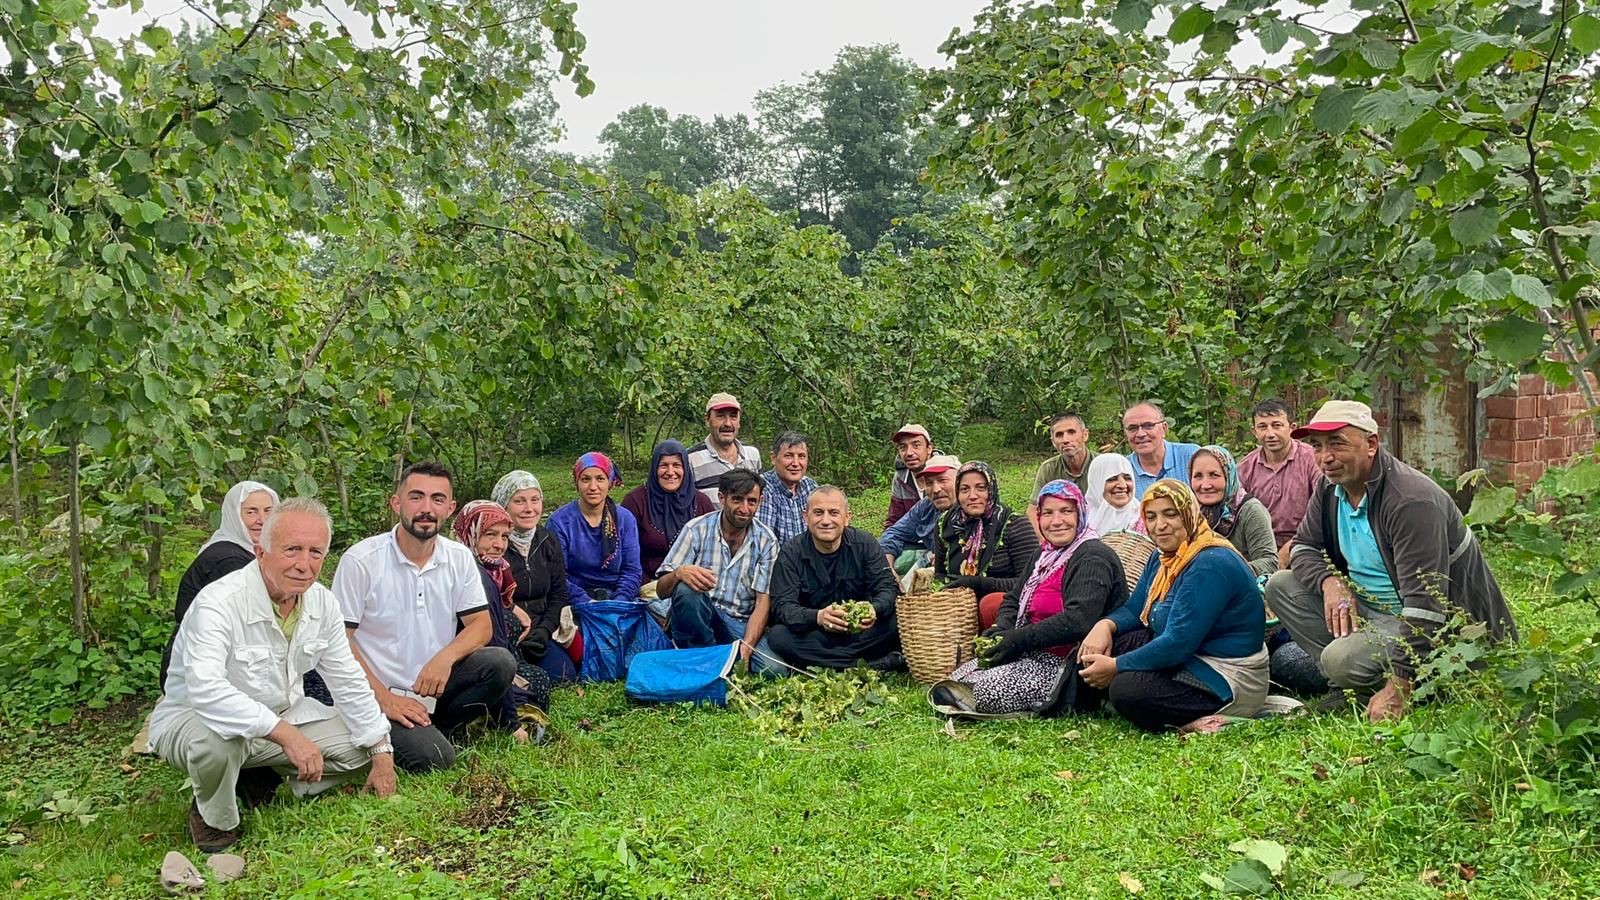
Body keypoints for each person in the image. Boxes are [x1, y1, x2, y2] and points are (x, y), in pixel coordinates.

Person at [150, 497, 395, 852]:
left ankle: (254, 777)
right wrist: (287, 737)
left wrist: (382, 752)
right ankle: (215, 819)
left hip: (280, 720)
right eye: (292, 549)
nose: (304, 564)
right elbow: (206, 690)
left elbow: (348, 679)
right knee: (220, 741)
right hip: (194, 720)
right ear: (260, 552)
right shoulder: (218, 602)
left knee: (362, 746)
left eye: (315, 552)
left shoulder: (322, 603)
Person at [1266, 401, 1517, 722]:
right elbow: (1303, 547)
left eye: (1337, 444)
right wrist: (1330, 582)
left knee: (1339, 660)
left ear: (1371, 444)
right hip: (1371, 609)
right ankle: (1351, 690)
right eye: (1317, 446)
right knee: (1281, 585)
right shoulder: (1330, 489)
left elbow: (1426, 606)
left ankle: (1428, 680)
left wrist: (1399, 688)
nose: (1325, 457)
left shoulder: (1409, 501)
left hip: (1441, 626)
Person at [335, 461, 515, 773]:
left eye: (437, 499)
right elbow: (339, 643)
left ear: (450, 508)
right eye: (416, 497)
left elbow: (481, 626)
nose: (426, 509)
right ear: (397, 503)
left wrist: (445, 658)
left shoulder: (457, 557)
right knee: (436, 759)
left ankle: (435, 726)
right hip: (379, 693)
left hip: (434, 686)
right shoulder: (361, 561)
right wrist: (384, 699)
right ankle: (411, 733)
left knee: (499, 663)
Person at [1074, 480, 1269, 733]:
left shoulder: (1209, 561)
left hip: (1224, 673)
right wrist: (1105, 625)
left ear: (1188, 513)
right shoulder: (1163, 556)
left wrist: (1116, 666)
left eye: (1170, 514)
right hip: (1188, 655)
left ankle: (1203, 719)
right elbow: (1136, 610)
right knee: (1092, 651)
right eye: (1151, 516)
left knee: (1126, 689)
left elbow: (1177, 643)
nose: (1159, 525)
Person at [935, 481, 1126, 716]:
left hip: (1064, 662)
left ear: (1081, 514)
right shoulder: (1045, 554)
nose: (1056, 521)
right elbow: (1014, 597)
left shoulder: (1093, 556)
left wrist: (1016, 640)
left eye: (1066, 511)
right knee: (957, 678)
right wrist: (1001, 628)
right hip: (1032, 650)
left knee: (986, 691)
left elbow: (1079, 620)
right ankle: (968, 696)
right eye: (1048, 513)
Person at [658, 469, 783, 674]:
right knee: (687, 591)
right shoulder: (696, 529)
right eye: (737, 500)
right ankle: (705, 657)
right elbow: (662, 591)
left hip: (737, 622)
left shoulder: (766, 541)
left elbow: (762, 602)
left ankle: (715, 656)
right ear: (722, 498)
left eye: (751, 501)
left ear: (759, 502)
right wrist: (679, 572)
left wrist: (747, 646)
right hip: (699, 613)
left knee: (774, 669)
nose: (744, 508)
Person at [161, 480, 281, 690]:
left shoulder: (245, 549)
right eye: (251, 512)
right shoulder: (230, 560)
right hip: (199, 669)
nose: (262, 520)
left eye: (268, 511)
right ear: (234, 515)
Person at [767, 486, 903, 670]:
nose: (826, 520)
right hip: (817, 633)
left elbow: (887, 588)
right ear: (805, 517)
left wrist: (873, 609)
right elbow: (783, 606)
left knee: (899, 619)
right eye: (818, 513)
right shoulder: (791, 553)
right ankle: (867, 665)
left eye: (833, 513)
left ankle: (831, 664)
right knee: (778, 636)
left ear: (847, 518)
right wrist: (818, 617)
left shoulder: (865, 544)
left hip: (862, 631)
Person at [452, 500, 553, 743]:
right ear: (470, 534)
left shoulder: (488, 571)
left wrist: (514, 609)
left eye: (504, 536)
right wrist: (513, 724)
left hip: (481, 662)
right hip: (465, 669)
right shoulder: (476, 579)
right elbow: (495, 645)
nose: (499, 545)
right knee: (536, 682)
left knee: (538, 674)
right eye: (489, 535)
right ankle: (495, 716)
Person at [491, 470, 578, 683]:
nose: (529, 509)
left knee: (563, 675)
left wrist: (545, 631)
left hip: (540, 627)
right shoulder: (492, 543)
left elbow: (559, 594)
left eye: (535, 500)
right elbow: (488, 599)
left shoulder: (547, 540)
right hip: (504, 630)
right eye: (519, 501)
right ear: (503, 505)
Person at [934, 461, 1039, 630]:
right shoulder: (947, 524)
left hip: (1004, 609)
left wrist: (979, 583)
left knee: (991, 604)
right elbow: (939, 574)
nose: (972, 495)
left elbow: (1030, 583)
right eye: (964, 489)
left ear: (991, 489)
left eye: (981, 488)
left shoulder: (1014, 524)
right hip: (958, 608)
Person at [548, 452, 644, 605]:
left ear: (610, 482)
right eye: (585, 479)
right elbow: (558, 576)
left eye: (600, 479)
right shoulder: (560, 522)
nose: (593, 487)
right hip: (575, 600)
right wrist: (586, 602)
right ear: (576, 482)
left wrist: (619, 602)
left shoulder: (624, 519)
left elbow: (631, 571)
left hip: (618, 600)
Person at [1237, 398, 1324, 566]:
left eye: (1277, 425)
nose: (1270, 433)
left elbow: (1324, 513)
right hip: (1259, 546)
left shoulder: (1312, 460)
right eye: (1263, 427)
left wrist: (1286, 552)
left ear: (1292, 428)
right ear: (1254, 432)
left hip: (1308, 543)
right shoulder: (1245, 468)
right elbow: (1235, 515)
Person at [622, 440, 715, 581]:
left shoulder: (701, 503)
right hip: (644, 586)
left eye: (677, 465)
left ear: (685, 468)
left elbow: (712, 551)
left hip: (690, 586)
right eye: (664, 465)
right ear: (654, 469)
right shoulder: (635, 502)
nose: (670, 472)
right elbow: (625, 555)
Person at [1189, 445, 1278, 578]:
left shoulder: (1251, 511)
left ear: (1229, 475)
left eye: (1214, 475)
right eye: (1198, 476)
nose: (1205, 485)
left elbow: (1269, 562)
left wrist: (1226, 573)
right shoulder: (1191, 512)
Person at [879, 454, 961, 574]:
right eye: (929, 483)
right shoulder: (926, 506)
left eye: (942, 480)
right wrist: (888, 571)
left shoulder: (971, 508)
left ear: (960, 482)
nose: (936, 489)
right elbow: (893, 534)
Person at [687, 393, 761, 503]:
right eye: (720, 416)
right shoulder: (692, 458)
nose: (727, 423)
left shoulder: (752, 455)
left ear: (739, 422)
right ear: (707, 420)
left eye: (733, 416)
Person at [1123, 401, 1200, 498]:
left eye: (1148, 426)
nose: (1140, 434)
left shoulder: (1191, 456)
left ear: (1164, 428)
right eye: (1132, 428)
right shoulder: (1123, 470)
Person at [756, 430, 819, 545]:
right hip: (779, 560)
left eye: (801, 456)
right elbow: (763, 543)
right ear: (773, 458)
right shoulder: (763, 488)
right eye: (788, 456)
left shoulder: (810, 487)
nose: (796, 463)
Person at [1032, 412, 1098, 496]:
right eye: (1059, 435)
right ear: (1053, 442)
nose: (1065, 440)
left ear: (1085, 435)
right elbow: (1034, 508)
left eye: (1071, 432)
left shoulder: (1104, 465)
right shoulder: (1049, 469)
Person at [887, 424, 936, 527]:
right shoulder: (900, 478)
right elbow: (895, 520)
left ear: (929, 448)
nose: (909, 453)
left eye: (916, 445)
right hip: (913, 539)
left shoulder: (947, 473)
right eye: (903, 447)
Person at [1084, 454, 1142, 536]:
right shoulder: (1080, 523)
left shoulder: (1145, 519)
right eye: (1112, 479)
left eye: (1127, 478)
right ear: (1096, 484)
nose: (1122, 485)